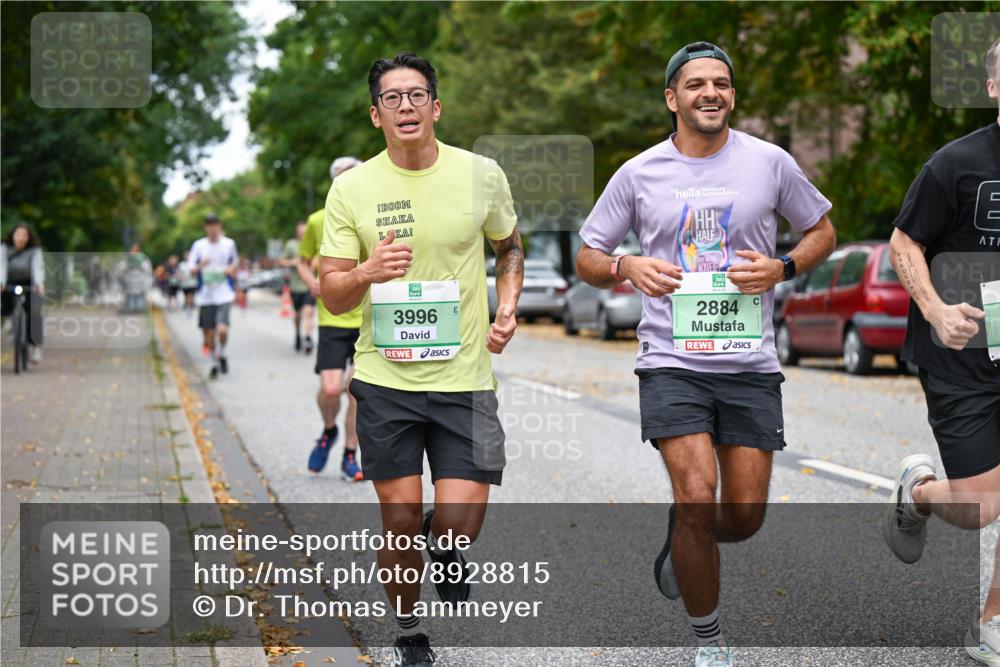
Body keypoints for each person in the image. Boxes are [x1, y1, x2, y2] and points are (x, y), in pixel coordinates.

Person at [576, 42, 836, 667]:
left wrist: (782, 266)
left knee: (740, 518)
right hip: (671, 361)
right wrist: (624, 264)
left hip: (749, 365)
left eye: (721, 83)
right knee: (698, 494)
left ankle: (684, 534)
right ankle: (709, 645)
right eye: (695, 85)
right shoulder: (639, 173)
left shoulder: (769, 163)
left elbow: (822, 229)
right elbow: (588, 255)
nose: (710, 93)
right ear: (672, 98)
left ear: (733, 95)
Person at [319, 52, 522, 667]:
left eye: (416, 96)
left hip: (466, 380)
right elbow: (330, 289)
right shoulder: (350, 189)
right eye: (391, 98)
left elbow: (508, 246)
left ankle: (446, 541)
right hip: (385, 380)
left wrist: (507, 305)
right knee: (398, 518)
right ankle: (409, 630)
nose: (404, 106)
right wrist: (367, 271)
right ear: (375, 113)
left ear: (435, 107)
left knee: (461, 524)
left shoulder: (481, 174)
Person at [882, 35, 1000, 666]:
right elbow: (904, 244)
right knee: (981, 508)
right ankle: (918, 490)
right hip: (961, 359)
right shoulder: (955, 164)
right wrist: (933, 310)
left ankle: (993, 622)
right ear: (993, 88)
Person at [299, 158, 364, 480]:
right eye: (341, 179)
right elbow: (302, 261)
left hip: (367, 318)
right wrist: (311, 280)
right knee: (329, 389)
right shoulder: (317, 221)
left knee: (355, 389)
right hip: (333, 317)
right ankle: (328, 431)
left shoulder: (375, 216)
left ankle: (350, 455)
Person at [187, 213, 239, 380]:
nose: (212, 228)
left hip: (224, 294)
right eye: (209, 224)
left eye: (215, 224)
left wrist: (229, 270)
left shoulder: (229, 244)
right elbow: (191, 269)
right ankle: (215, 362)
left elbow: (235, 264)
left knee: (222, 329)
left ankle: (222, 353)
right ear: (205, 227)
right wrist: (202, 265)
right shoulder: (199, 246)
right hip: (205, 295)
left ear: (219, 226)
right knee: (208, 334)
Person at [1, 224, 45, 363]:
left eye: (24, 235)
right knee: (4, 301)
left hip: (28, 282)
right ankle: (8, 317)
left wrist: (39, 284)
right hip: (9, 281)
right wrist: (1, 282)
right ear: (13, 236)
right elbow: (1, 266)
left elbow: (37, 268)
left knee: (34, 312)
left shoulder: (35, 250)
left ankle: (35, 347)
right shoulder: (4, 248)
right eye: (18, 235)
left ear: (28, 238)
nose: (21, 238)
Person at [283, 221, 316, 353]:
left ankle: (307, 337)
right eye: (301, 231)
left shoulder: (313, 244)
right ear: (297, 232)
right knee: (297, 314)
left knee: (309, 312)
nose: (303, 233)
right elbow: (281, 261)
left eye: (305, 231)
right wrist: (294, 262)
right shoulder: (291, 245)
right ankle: (297, 333)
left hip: (310, 285)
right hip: (295, 286)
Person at [178, 250, 198, 316]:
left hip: (192, 282)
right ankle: (188, 305)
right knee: (186, 296)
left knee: (190, 295)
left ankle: (189, 307)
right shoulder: (181, 264)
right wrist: (181, 277)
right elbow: (179, 273)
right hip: (185, 283)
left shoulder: (193, 264)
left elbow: (196, 273)